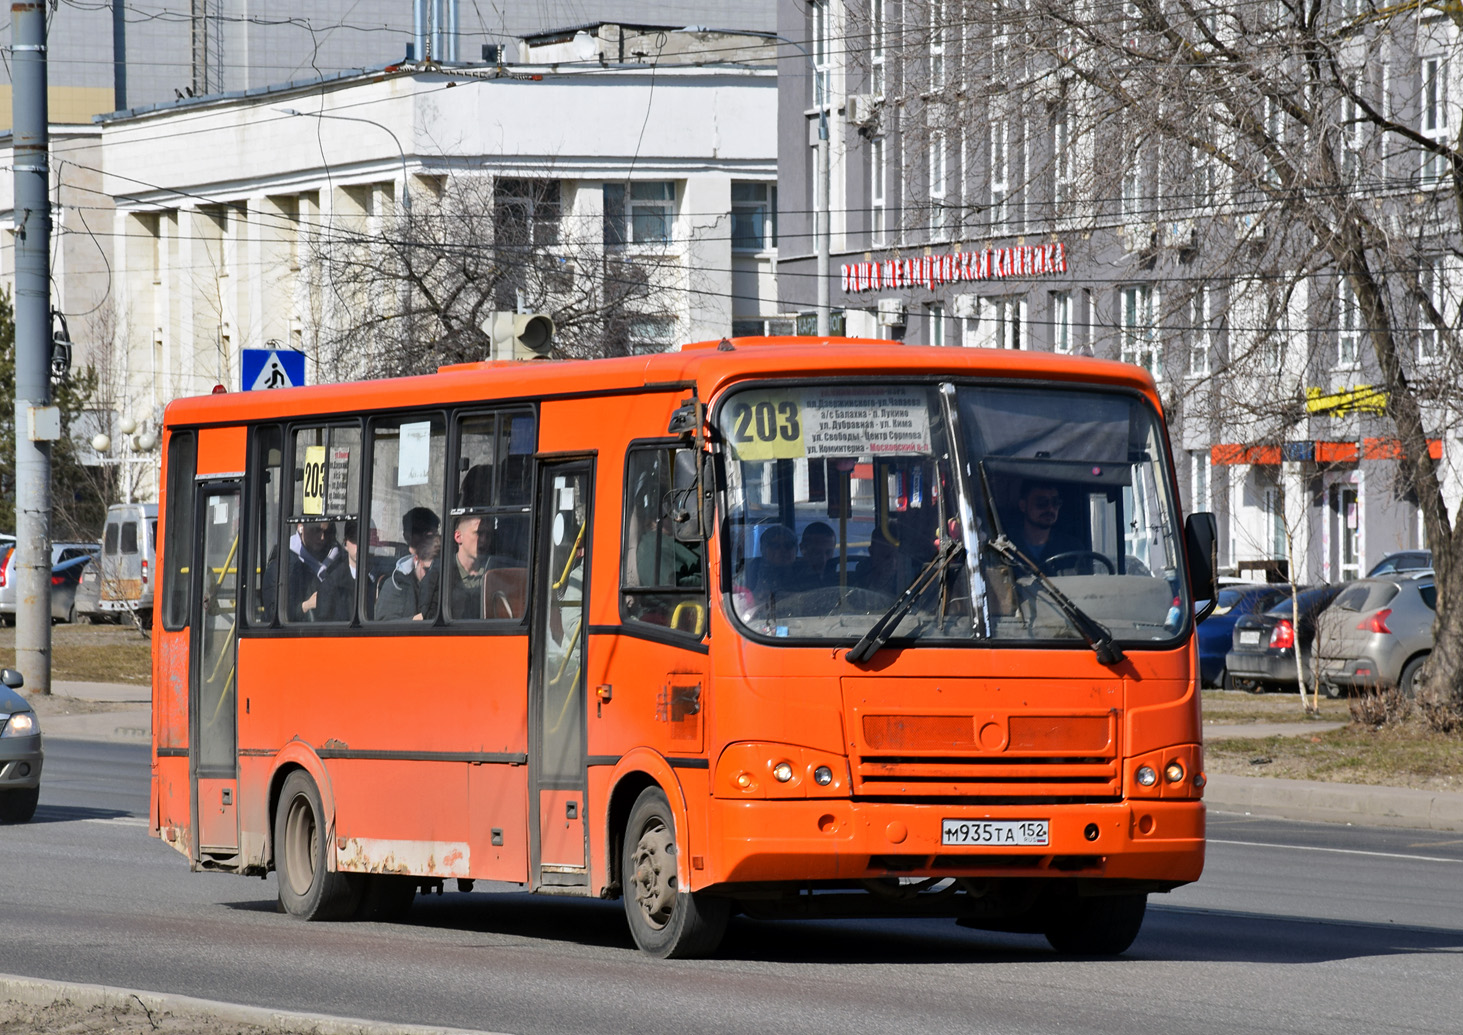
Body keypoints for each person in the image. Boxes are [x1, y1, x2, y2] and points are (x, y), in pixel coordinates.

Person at [375, 507, 441, 621]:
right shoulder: (397, 583)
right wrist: (421, 619)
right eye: (431, 535)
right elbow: (383, 626)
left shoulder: (446, 576)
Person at [1009, 480, 1079, 567]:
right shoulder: (1007, 548)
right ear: (1023, 505)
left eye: (1055, 502)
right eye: (1042, 502)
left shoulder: (1073, 548)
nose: (1050, 509)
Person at [285, 520, 343, 622]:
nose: (322, 537)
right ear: (301, 527)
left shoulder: (340, 560)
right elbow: (275, 614)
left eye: (326, 532)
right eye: (316, 530)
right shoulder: (285, 562)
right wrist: (306, 606)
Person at [315, 520, 358, 621]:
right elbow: (324, 625)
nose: (358, 545)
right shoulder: (332, 582)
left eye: (364, 539)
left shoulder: (378, 578)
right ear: (345, 544)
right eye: (354, 539)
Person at [447, 514, 489, 619]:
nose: (484, 540)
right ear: (458, 536)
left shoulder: (494, 572)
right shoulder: (441, 573)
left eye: (488, 535)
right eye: (478, 533)